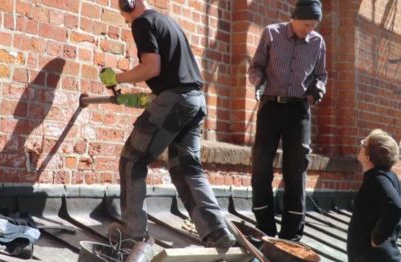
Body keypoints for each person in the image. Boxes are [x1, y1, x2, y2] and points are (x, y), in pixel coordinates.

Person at [99, 0, 236, 248]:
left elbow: (151, 68)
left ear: (129, 4)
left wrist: (117, 77)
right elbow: (174, 74)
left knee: (132, 159)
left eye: (123, 14)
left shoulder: (142, 22)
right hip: (195, 101)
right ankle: (217, 230)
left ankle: (133, 234)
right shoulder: (168, 22)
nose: (125, 20)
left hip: (176, 100)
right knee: (186, 168)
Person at [248, 0, 328, 241]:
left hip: (299, 111)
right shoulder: (271, 33)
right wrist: (258, 82)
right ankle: (265, 228)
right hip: (271, 105)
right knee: (261, 165)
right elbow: (256, 67)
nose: (308, 31)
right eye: (305, 25)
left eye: (313, 26)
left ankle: (292, 235)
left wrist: (319, 88)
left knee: (296, 168)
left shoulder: (318, 42)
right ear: (294, 18)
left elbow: (321, 74)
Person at [347, 129, 401, 262]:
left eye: (363, 144)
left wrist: (378, 238)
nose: (361, 145)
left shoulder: (377, 178)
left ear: (367, 157)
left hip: (373, 257)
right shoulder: (390, 176)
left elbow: (395, 206)